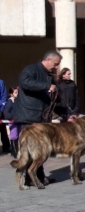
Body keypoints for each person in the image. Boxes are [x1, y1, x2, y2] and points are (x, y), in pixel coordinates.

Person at [13, 50, 62, 185]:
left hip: (40, 117)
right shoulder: (31, 69)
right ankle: (29, 178)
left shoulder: (48, 75)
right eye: (56, 64)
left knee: (39, 149)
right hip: (28, 116)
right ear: (48, 60)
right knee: (30, 149)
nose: (57, 67)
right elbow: (25, 82)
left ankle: (39, 176)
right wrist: (46, 86)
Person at [3, 87, 18, 157]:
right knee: (13, 137)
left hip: (18, 122)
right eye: (16, 93)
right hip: (12, 123)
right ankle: (14, 151)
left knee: (18, 137)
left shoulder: (17, 101)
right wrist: (13, 116)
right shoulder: (9, 102)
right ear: (11, 94)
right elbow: (6, 113)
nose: (17, 94)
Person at [0, 78, 10, 155]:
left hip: (0, 109)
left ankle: (6, 147)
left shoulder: (1, 82)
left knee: (3, 129)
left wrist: (2, 109)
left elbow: (4, 96)